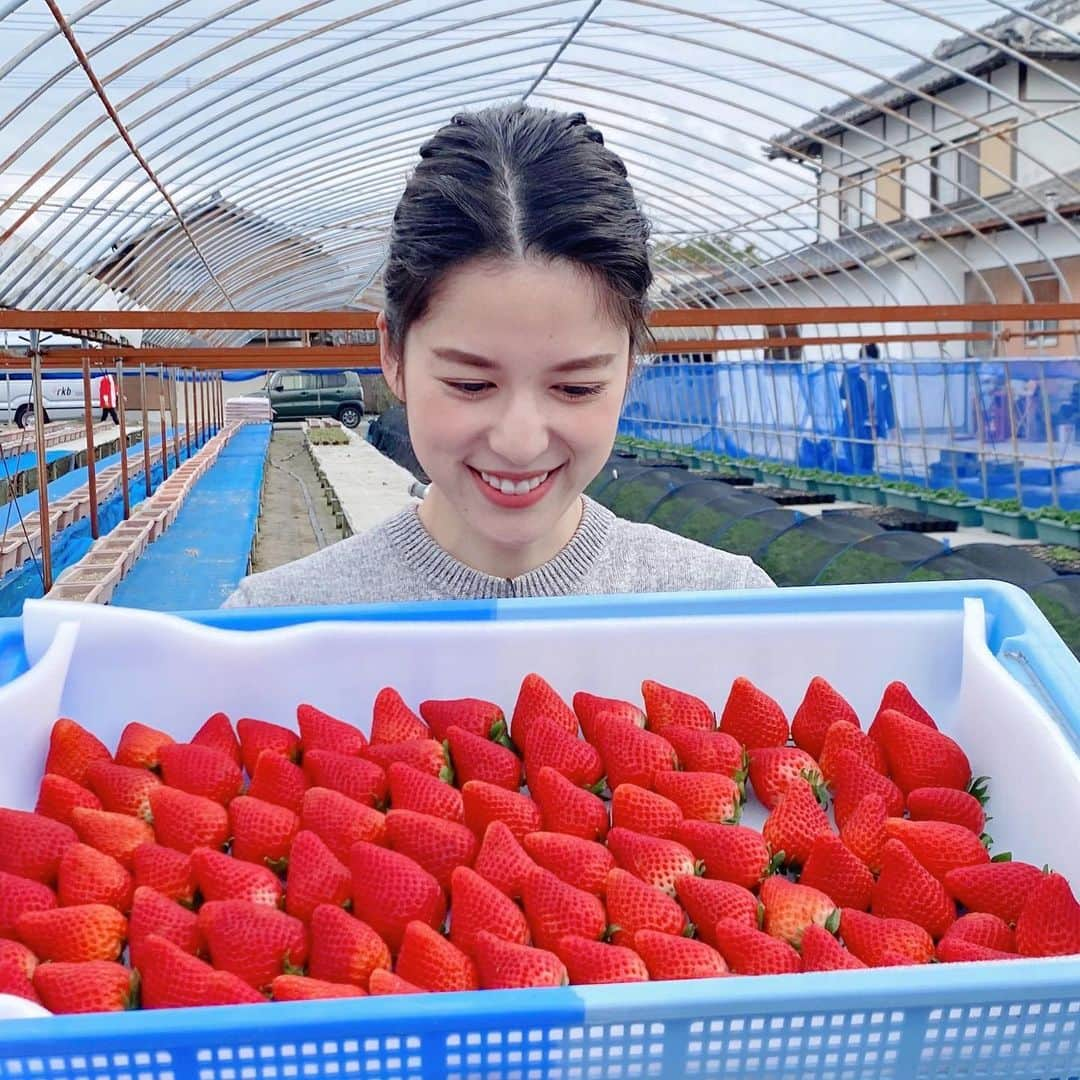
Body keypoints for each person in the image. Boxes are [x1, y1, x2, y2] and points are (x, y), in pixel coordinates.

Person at [224, 104, 774, 608]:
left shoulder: (729, 610)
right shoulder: (279, 626)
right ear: (393, 354)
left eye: (576, 388)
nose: (520, 442)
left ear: (629, 368)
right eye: (470, 384)